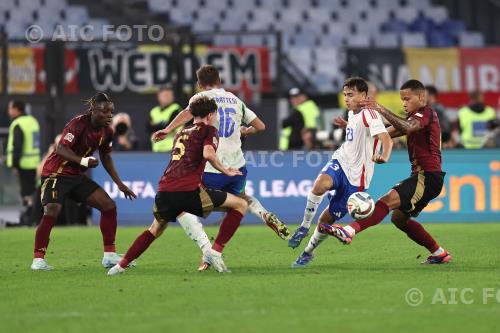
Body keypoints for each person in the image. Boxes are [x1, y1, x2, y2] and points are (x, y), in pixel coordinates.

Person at [154, 65, 289, 271]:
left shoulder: (201, 99)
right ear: (220, 80)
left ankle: (207, 251)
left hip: (211, 168)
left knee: (182, 205)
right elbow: (261, 126)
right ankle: (261, 213)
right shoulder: (236, 100)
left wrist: (168, 129)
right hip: (238, 168)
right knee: (239, 200)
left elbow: (187, 113)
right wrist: (245, 131)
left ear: (200, 84)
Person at [107, 96, 247, 275]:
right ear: (210, 114)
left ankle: (120, 266)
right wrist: (226, 171)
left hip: (165, 190)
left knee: (155, 229)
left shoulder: (181, 133)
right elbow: (208, 153)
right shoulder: (209, 130)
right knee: (240, 204)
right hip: (189, 191)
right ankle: (214, 251)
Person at [322, 79, 451, 265]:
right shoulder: (413, 118)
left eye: (407, 99)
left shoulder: (426, 113)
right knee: (399, 219)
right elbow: (384, 132)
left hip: (428, 176)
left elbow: (406, 127)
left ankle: (349, 231)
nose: (404, 103)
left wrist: (379, 108)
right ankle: (439, 253)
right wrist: (355, 127)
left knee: (386, 201)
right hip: (422, 176)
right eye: (402, 100)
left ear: (421, 97)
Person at [288, 77, 393, 267]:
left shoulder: (371, 113)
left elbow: (386, 138)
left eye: (351, 95)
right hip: (342, 161)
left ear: (363, 95)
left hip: (357, 179)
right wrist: (347, 125)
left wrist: (384, 155)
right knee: (321, 184)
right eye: (345, 95)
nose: (346, 99)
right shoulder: (353, 112)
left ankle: (308, 252)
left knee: (324, 222)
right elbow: (359, 131)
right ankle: (303, 227)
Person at [30, 92, 137, 271]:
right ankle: (38, 260)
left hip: (76, 177)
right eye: (104, 112)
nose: (108, 116)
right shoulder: (77, 124)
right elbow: (61, 148)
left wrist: (119, 184)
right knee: (52, 209)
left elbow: (106, 157)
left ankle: (109, 255)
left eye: (111, 112)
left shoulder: (107, 132)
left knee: (109, 206)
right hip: (55, 173)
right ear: (93, 110)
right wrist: (82, 160)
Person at [6, 100, 40, 225]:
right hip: (35, 164)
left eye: (10, 108)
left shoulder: (18, 123)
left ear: (16, 109)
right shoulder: (33, 121)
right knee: (33, 191)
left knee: (26, 194)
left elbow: (17, 146)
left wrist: (14, 164)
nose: (9, 111)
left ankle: (29, 219)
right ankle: (31, 217)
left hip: (23, 164)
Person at [148, 85, 183, 152]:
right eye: (165, 95)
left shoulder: (176, 108)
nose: (168, 98)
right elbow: (149, 128)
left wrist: (156, 126)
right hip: (157, 148)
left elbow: (170, 125)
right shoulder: (154, 111)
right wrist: (162, 125)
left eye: (170, 95)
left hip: (172, 148)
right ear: (159, 97)